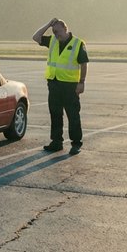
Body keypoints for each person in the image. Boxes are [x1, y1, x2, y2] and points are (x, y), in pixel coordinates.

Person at [32, 18, 89, 155]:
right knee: (55, 114)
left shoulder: (78, 43)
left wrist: (81, 82)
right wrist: (48, 24)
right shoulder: (52, 41)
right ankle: (56, 142)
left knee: (73, 115)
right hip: (54, 83)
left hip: (70, 86)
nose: (55, 34)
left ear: (65, 29)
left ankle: (76, 144)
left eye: (57, 31)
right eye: (54, 31)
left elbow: (84, 63)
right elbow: (36, 37)